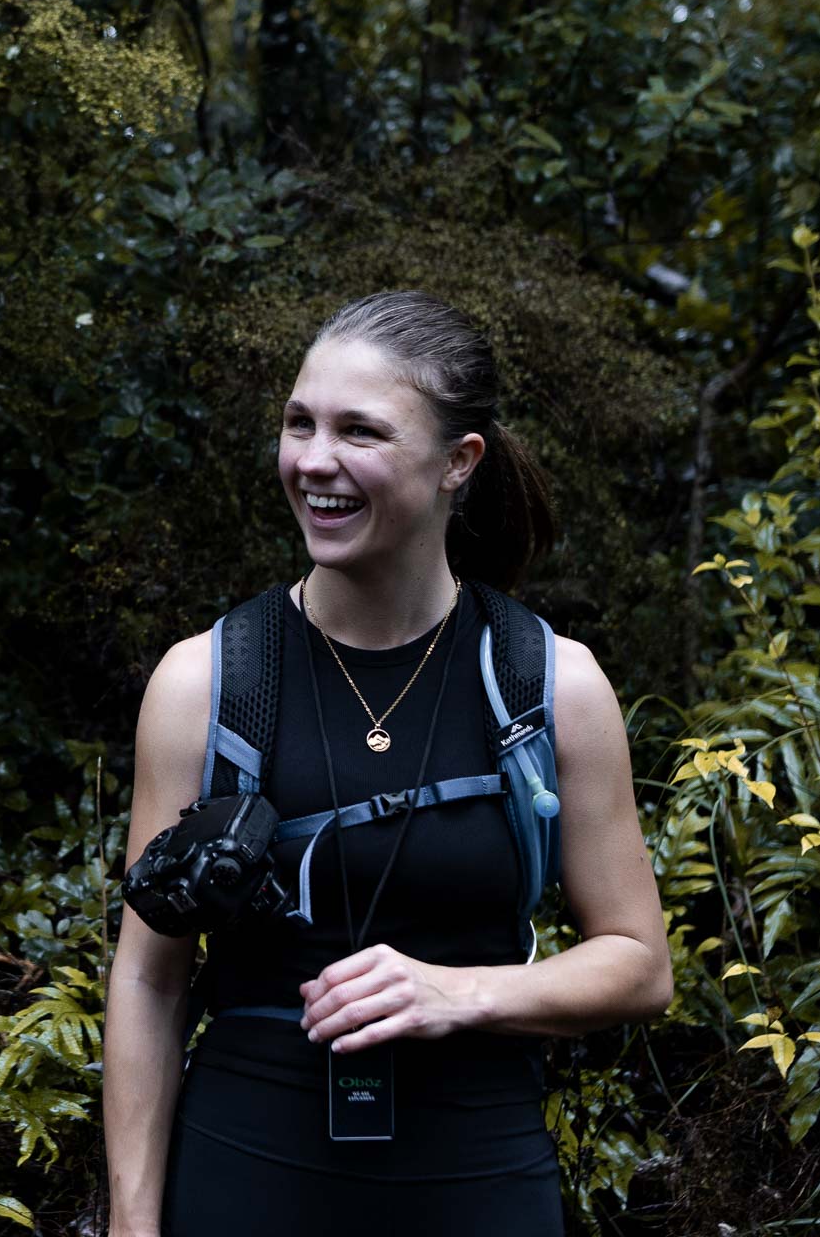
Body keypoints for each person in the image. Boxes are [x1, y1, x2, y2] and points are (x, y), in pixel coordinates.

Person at [101, 291, 672, 1233]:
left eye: (359, 431)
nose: (313, 462)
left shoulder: (546, 685)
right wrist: (131, 1221)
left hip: (479, 1179)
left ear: (459, 462)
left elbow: (639, 965)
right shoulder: (207, 684)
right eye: (299, 423)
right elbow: (149, 980)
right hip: (244, 1175)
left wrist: (461, 991)